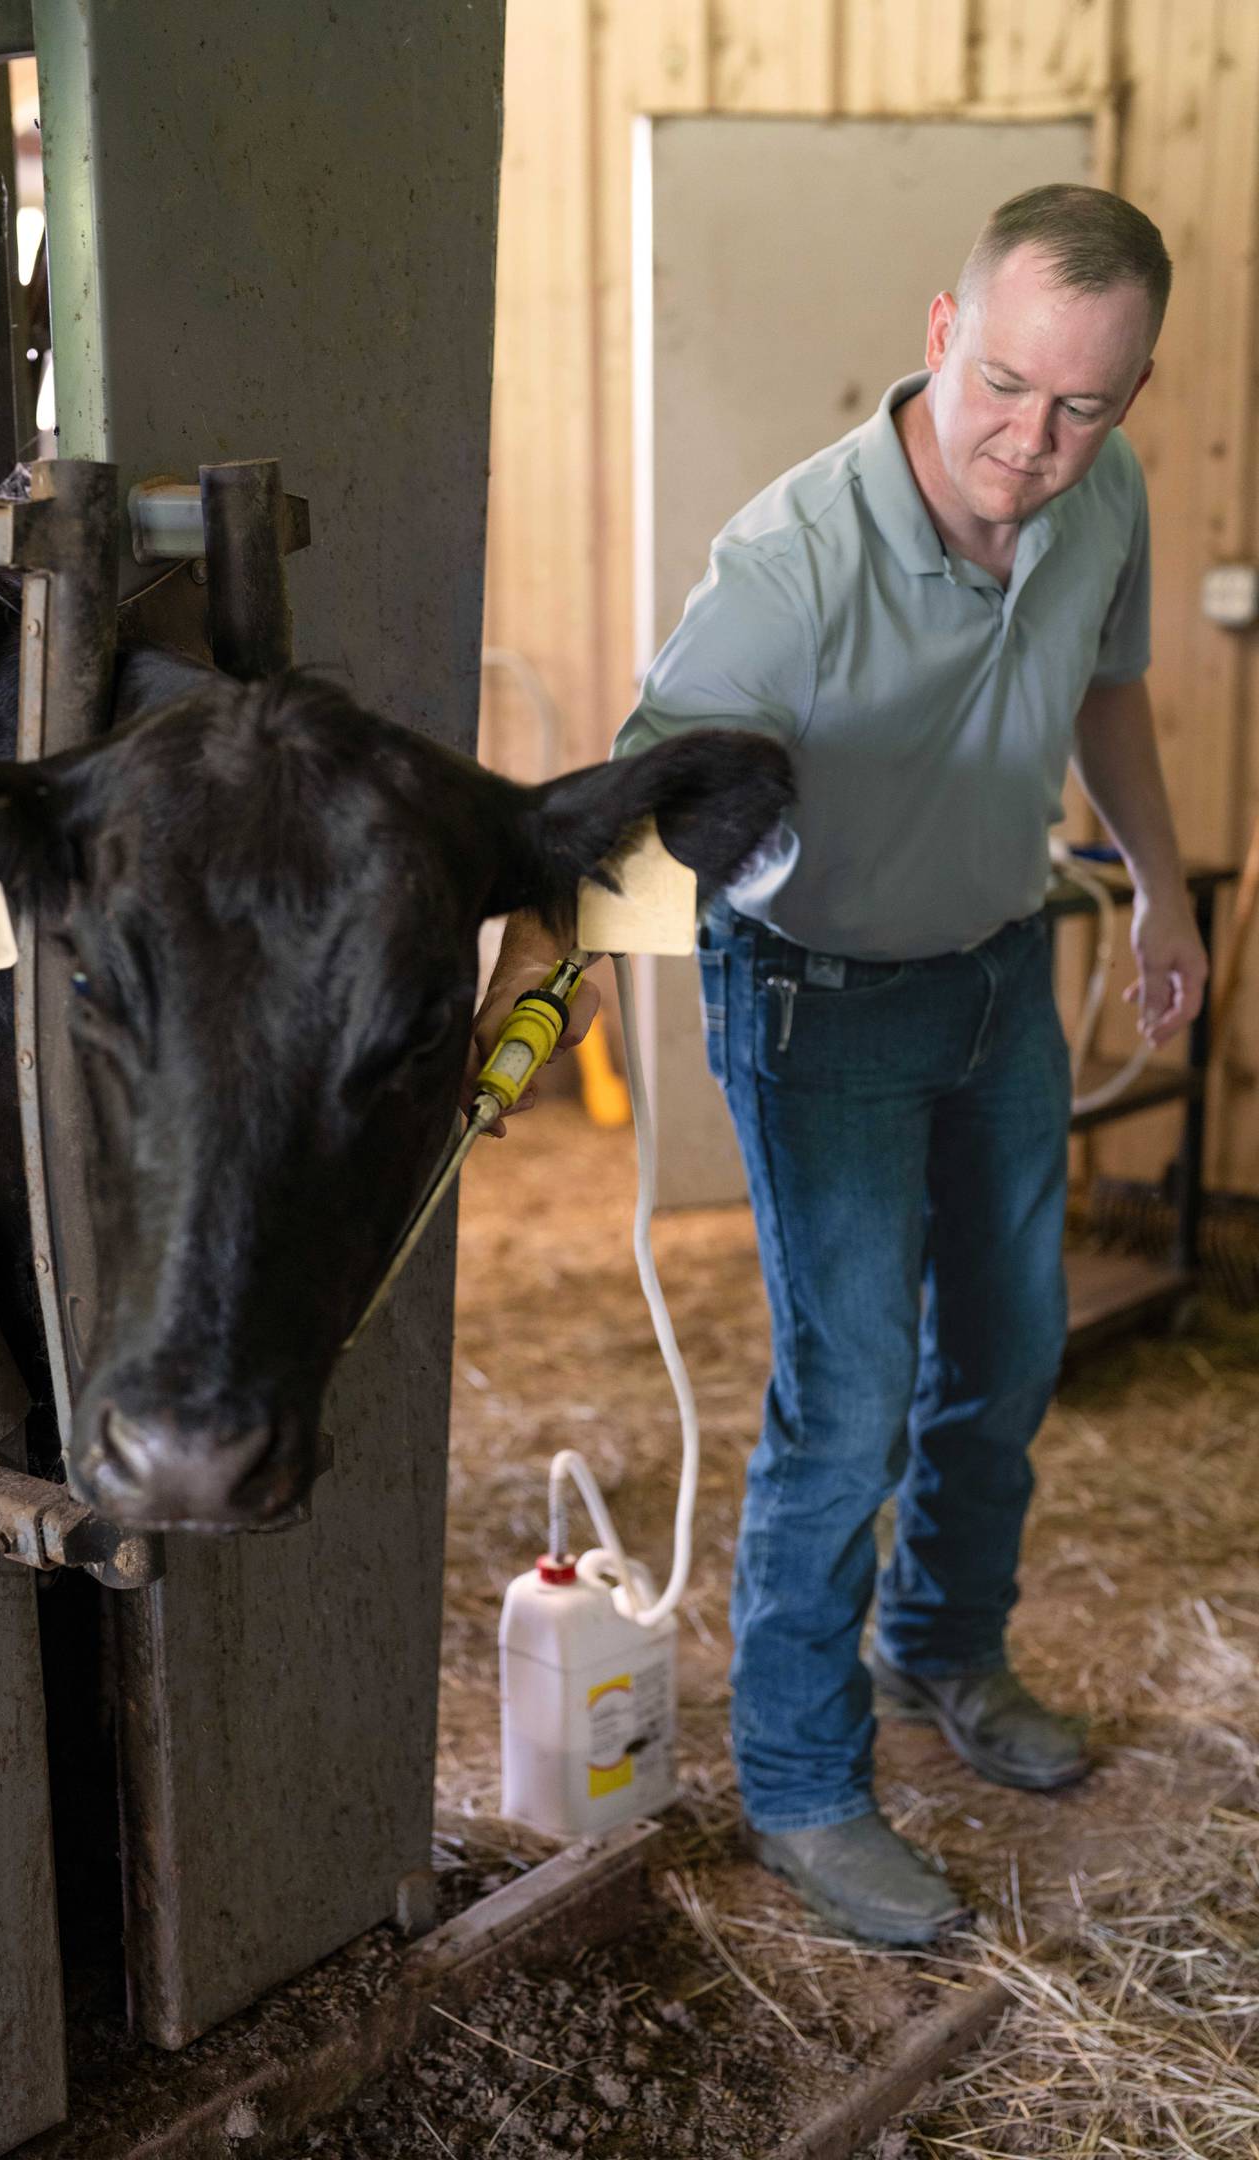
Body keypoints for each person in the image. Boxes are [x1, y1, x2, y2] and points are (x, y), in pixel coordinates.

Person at [475, 184, 1207, 1944]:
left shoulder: (1102, 498)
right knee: (851, 1389)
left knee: (1013, 1345)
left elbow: (1110, 690)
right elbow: (636, 810)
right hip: (816, 1000)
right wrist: (529, 1003)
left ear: (1132, 396)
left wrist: (1160, 893)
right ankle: (803, 1780)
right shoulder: (786, 571)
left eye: (1083, 407)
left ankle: (941, 1647)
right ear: (942, 333)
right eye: (1007, 387)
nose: (1031, 447)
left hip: (996, 971)